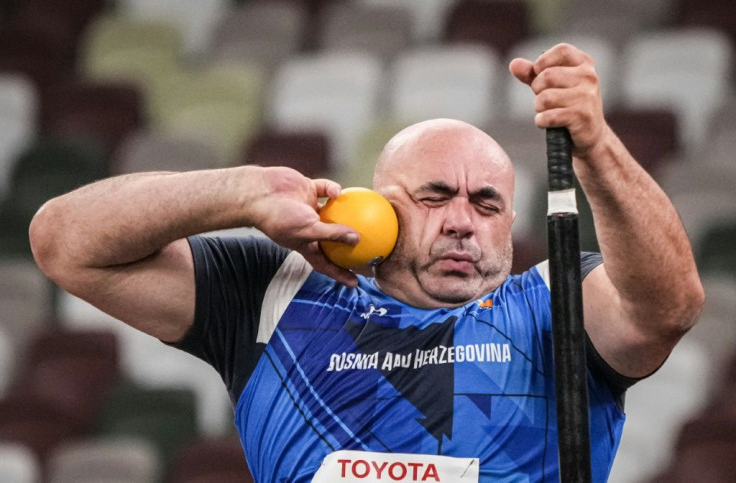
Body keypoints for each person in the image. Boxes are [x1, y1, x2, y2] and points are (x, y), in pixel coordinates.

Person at [29, 44, 704, 482]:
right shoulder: (278, 292)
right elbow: (65, 242)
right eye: (436, 196)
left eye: (487, 204)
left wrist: (594, 146)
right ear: (373, 210)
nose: (463, 221)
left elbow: (668, 309)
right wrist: (239, 193)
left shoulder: (554, 300)